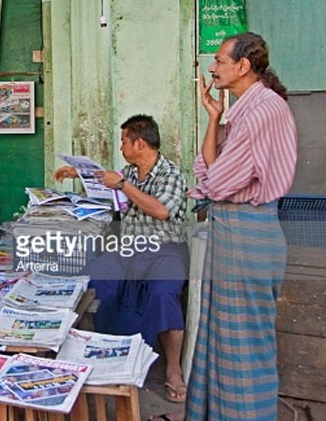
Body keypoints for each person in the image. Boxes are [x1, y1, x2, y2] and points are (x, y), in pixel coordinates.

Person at [180, 32, 297, 421]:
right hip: (232, 231)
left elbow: (215, 180)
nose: (211, 68)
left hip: (248, 232)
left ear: (243, 66)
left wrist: (210, 179)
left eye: (218, 60)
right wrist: (213, 117)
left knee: (243, 347)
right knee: (220, 339)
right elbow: (207, 167)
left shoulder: (263, 109)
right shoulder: (243, 107)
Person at [54, 114, 189, 403]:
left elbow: (161, 210)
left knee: (164, 294)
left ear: (139, 143)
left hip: (165, 250)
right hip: (129, 249)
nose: (121, 148)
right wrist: (77, 174)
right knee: (93, 280)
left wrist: (123, 186)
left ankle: (173, 369)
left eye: (124, 141)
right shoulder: (127, 171)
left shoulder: (171, 175)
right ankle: (99, 353)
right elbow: (106, 181)